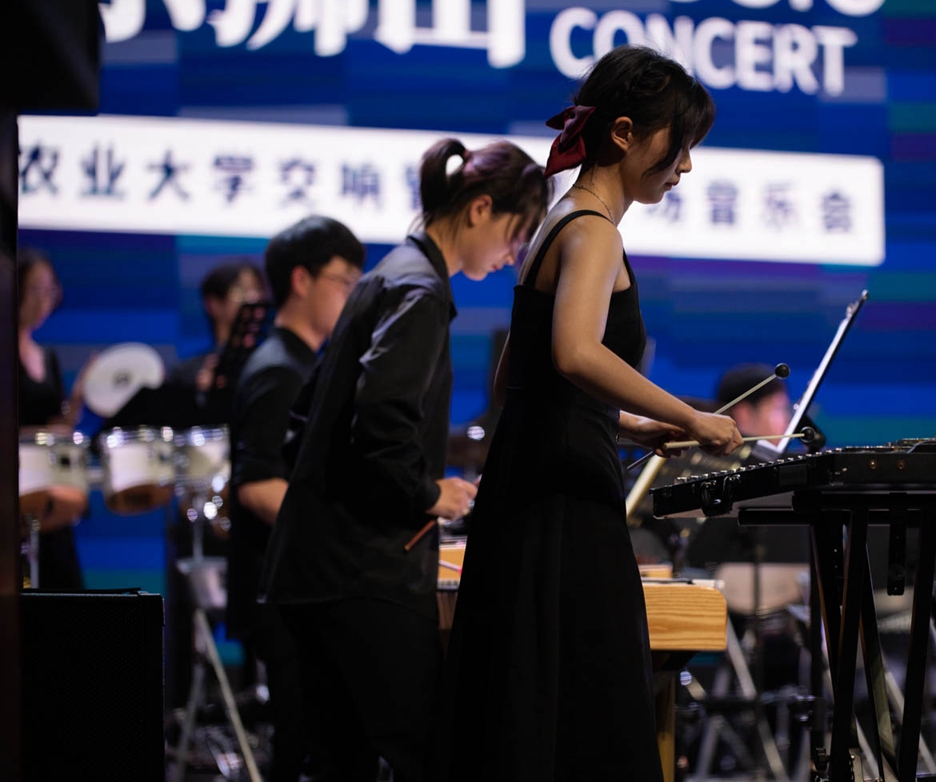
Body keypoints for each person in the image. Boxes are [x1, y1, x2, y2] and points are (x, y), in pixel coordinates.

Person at [439, 45, 743, 782]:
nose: (686, 166)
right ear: (625, 133)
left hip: (529, 488)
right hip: (565, 500)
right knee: (587, 704)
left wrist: (634, 425)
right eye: (681, 145)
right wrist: (694, 417)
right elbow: (575, 353)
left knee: (528, 696)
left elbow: (525, 373)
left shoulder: (556, 219)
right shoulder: (595, 230)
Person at [259, 137, 551, 780]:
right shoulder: (418, 290)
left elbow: (303, 422)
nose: (511, 256)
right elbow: (382, 423)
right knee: (430, 753)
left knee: (339, 764)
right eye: (515, 234)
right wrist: (429, 493)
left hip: (312, 571)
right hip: (363, 574)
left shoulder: (387, 275)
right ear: (479, 209)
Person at [227, 216, 365, 781]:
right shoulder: (278, 369)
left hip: (295, 587)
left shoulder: (300, 361)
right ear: (301, 280)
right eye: (344, 280)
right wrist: (344, 533)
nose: (352, 293)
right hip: (282, 593)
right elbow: (256, 484)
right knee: (302, 749)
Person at [16, 249, 89, 589]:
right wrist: (40, 433)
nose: (44, 300)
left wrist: (76, 403)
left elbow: (58, 427)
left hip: (49, 488)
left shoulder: (47, 356)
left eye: (50, 290)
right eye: (35, 289)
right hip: (14, 486)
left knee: (61, 582)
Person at [168, 260, 267, 395]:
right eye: (240, 291)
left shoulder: (269, 363)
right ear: (213, 304)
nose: (253, 298)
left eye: (257, 290)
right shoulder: (186, 376)